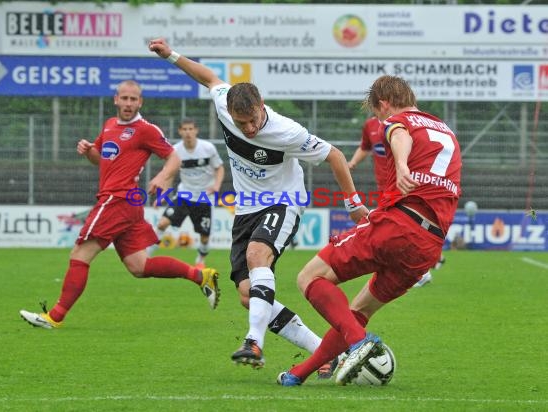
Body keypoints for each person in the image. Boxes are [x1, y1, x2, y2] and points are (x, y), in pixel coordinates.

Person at [149, 38, 367, 369]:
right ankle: (324, 352)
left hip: (284, 202)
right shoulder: (224, 102)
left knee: (256, 255)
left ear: (261, 104)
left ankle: (253, 343)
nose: (249, 129)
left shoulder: (287, 132)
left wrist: (352, 204)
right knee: (247, 294)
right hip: (247, 208)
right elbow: (209, 77)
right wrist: (171, 56)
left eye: (253, 120)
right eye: (241, 124)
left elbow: (335, 155)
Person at [277, 74, 462, 386]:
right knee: (356, 311)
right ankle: (299, 374)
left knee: (309, 278)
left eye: (376, 112)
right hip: (428, 246)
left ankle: (359, 342)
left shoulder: (397, 120)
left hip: (398, 225)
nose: (378, 119)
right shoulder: (446, 131)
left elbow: (399, 132)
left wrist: (402, 166)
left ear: (385, 103)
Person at [19, 80, 221, 330]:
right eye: (124, 98)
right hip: (125, 204)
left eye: (133, 99)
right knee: (139, 266)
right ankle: (201, 275)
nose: (128, 103)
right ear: (116, 99)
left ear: (140, 102)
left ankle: (55, 317)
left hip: (117, 199)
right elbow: (100, 159)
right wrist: (89, 150)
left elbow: (174, 157)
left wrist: (162, 177)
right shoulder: (110, 125)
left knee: (80, 254)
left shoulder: (145, 129)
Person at [348, 115, 445, 288]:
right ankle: (420, 269)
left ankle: (420, 271)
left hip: (404, 184)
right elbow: (365, 147)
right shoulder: (370, 125)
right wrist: (353, 162)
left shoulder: (404, 124)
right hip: (384, 187)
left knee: (401, 229)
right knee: (396, 230)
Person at [147, 118, 224, 270]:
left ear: (196, 130)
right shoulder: (175, 151)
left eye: (191, 129)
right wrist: (162, 196)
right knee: (162, 223)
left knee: (204, 236)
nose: (188, 132)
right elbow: (169, 175)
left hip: (204, 198)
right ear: (180, 131)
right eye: (185, 129)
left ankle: (200, 259)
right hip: (184, 195)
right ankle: (146, 255)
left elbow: (219, 168)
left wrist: (216, 185)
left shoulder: (208, 148)